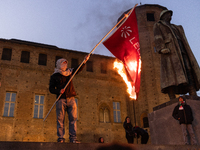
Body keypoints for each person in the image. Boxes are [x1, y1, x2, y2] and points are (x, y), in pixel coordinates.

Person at [153, 9, 200, 100]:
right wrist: (161, 48)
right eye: (168, 15)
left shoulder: (176, 27)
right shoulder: (158, 25)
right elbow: (157, 37)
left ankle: (192, 92)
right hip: (170, 53)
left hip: (182, 52)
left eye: (170, 15)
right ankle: (171, 96)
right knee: (170, 75)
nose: (170, 16)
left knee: (188, 70)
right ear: (163, 16)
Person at [49, 55, 90, 143]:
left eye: (66, 63)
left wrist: (84, 61)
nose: (65, 65)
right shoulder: (54, 76)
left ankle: (73, 138)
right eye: (64, 63)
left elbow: (78, 69)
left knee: (73, 119)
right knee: (60, 120)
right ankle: (60, 138)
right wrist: (59, 91)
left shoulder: (70, 72)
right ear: (59, 64)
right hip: (61, 100)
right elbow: (51, 89)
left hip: (71, 99)